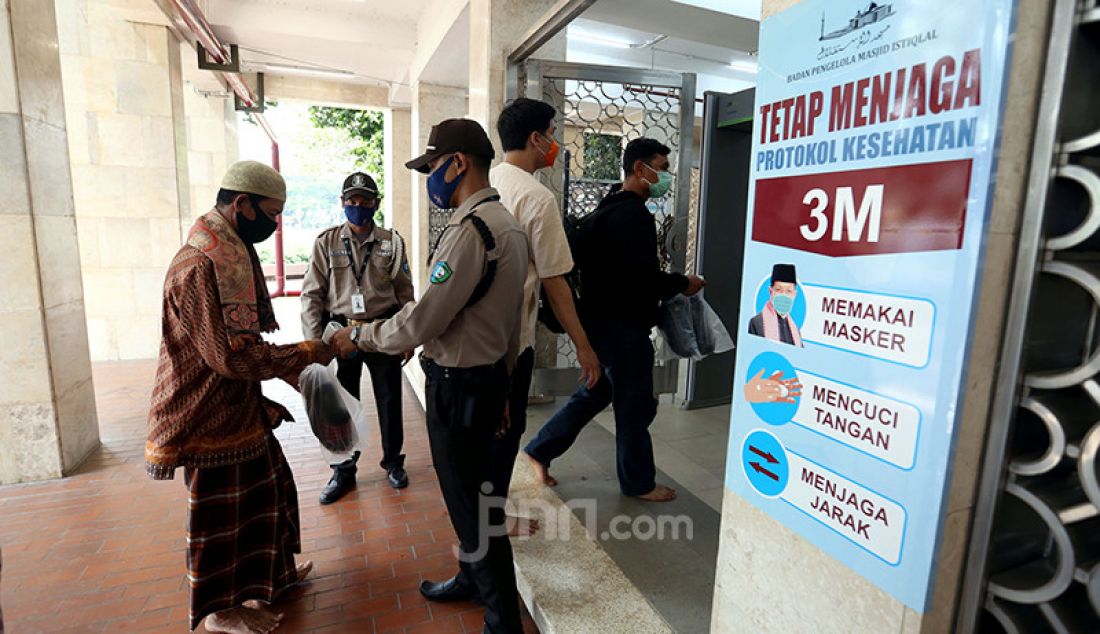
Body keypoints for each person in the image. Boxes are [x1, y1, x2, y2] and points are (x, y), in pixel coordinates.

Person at [333, 118, 528, 634]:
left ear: (458, 163)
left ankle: (501, 621)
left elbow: (421, 321)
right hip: (484, 384)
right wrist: (506, 386)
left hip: (458, 390)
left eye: (432, 167)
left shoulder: (471, 233)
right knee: (477, 499)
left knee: (474, 509)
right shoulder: (506, 225)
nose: (429, 179)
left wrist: (360, 337)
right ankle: (470, 579)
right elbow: (513, 323)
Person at [145, 161, 334, 634]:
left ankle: (273, 577)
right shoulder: (200, 266)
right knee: (218, 520)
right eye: (271, 215)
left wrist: (298, 376)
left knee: (269, 494)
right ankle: (220, 611)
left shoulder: (231, 249)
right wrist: (306, 354)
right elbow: (228, 358)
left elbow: (244, 347)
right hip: (205, 413)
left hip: (239, 408)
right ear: (241, 204)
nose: (273, 226)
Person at [524, 138, 705, 502]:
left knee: (598, 392)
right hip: (624, 328)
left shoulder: (606, 210)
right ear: (640, 169)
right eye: (662, 169)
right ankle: (639, 483)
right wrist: (685, 283)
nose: (665, 178)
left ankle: (539, 450)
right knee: (635, 403)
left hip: (600, 323)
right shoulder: (634, 215)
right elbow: (645, 279)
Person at [301, 171, 415, 502]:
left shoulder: (391, 243)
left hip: (380, 331)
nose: (357, 206)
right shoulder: (326, 243)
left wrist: (407, 335)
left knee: (390, 400)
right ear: (342, 203)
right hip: (340, 336)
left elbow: (405, 293)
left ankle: (393, 462)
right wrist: (314, 345)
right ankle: (344, 471)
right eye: (351, 200)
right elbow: (311, 296)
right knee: (341, 405)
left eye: (364, 201)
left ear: (376, 203)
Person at [748, 264, 803, 347]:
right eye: (778, 290)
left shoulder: (796, 331)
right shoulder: (757, 323)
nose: (784, 295)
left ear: (794, 294)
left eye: (789, 291)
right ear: (771, 291)